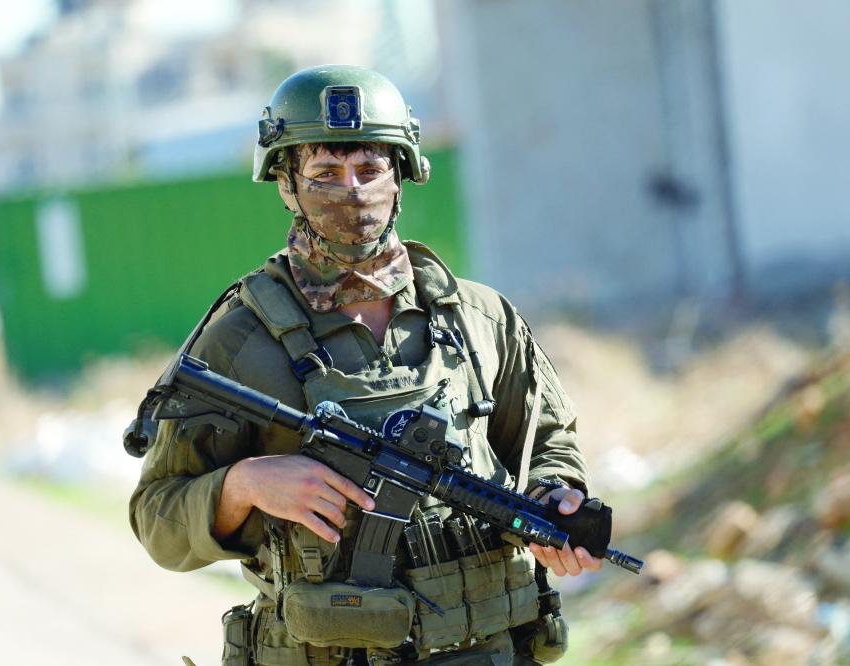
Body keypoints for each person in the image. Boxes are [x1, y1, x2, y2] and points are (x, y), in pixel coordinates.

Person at [129, 65, 600, 666]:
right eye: (326, 173)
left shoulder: (482, 318)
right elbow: (158, 521)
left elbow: (548, 443)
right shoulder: (238, 342)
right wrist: (243, 485)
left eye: (370, 170)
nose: (352, 192)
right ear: (287, 184)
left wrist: (556, 498)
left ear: (401, 175)